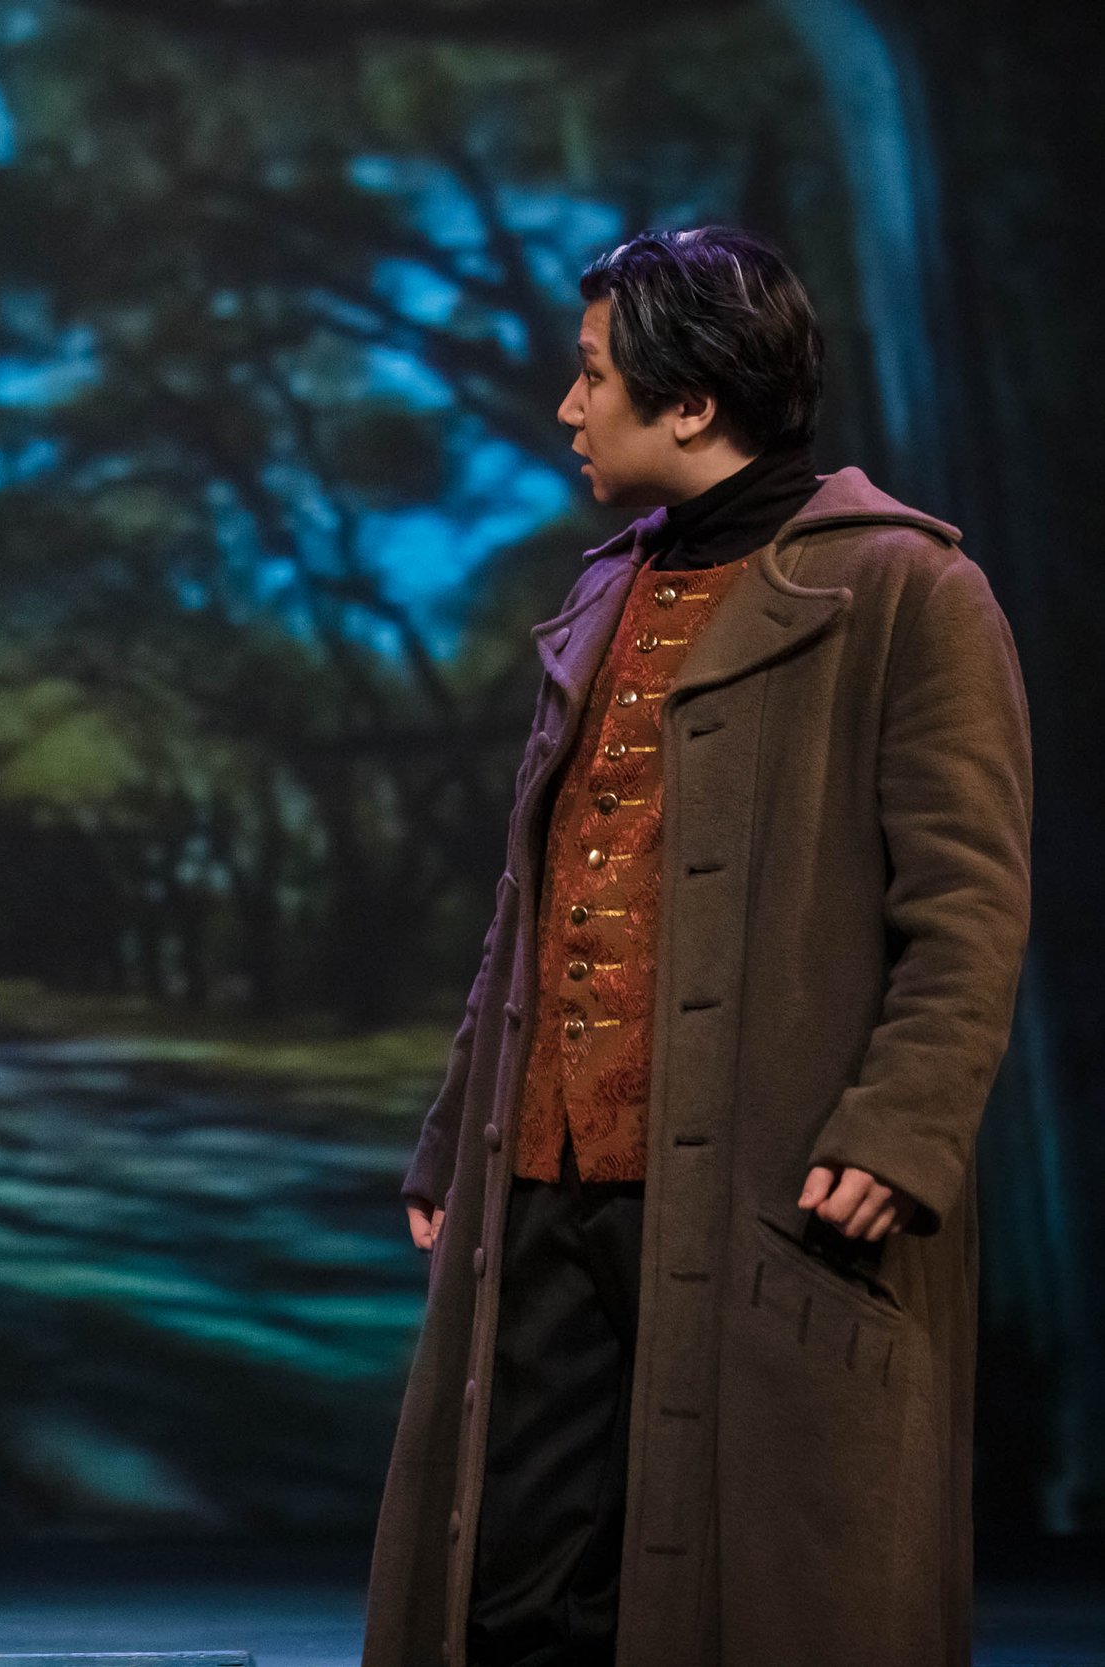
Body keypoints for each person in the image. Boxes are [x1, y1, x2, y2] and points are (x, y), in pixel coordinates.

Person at [361, 231, 1031, 1667]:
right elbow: (529, 903)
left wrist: (903, 1128)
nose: (565, 407)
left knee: (762, 1587)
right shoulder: (607, 591)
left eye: (592, 375)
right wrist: (452, 1130)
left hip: (765, 1178)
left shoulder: (908, 594)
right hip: (548, 1176)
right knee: (516, 1592)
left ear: (691, 403)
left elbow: (968, 904)